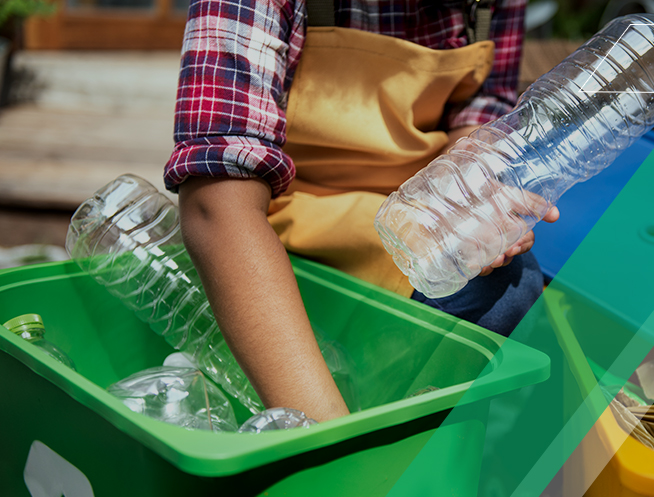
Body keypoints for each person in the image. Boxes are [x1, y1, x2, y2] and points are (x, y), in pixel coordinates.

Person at [163, 0, 558, 422]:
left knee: (509, 287)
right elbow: (217, 206)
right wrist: (326, 437)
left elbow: (482, 107)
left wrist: (463, 197)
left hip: (409, 212)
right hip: (279, 226)